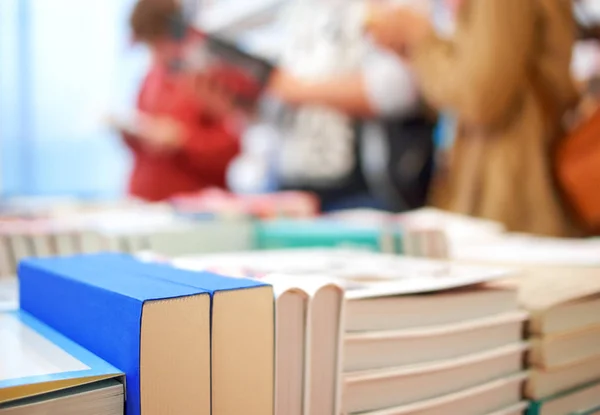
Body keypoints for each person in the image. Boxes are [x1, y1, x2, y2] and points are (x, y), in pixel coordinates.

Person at [367, 0, 582, 236]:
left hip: (512, 188)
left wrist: (421, 39)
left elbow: (479, 98)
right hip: (493, 181)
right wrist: (419, 51)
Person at [267, 0, 435, 212]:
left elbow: (404, 86)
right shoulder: (291, 10)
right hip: (289, 185)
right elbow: (276, 95)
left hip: (364, 190)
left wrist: (297, 90)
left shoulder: (387, 8)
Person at [115, 0, 240, 202]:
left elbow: (231, 148)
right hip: (146, 201)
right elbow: (145, 144)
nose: (153, 55)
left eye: (155, 44)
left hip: (193, 206)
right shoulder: (152, 76)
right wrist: (129, 133)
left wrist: (183, 140)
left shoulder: (209, 73)